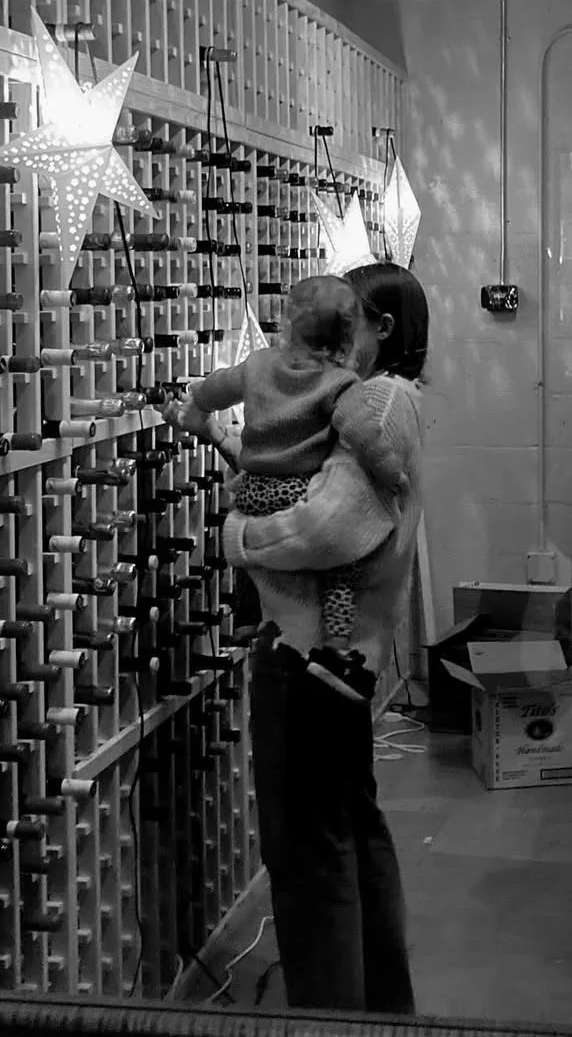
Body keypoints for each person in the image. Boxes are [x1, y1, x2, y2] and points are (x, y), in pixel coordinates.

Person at [163, 261, 428, 1014]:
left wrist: (237, 534)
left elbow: (326, 528)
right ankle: (377, 1010)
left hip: (307, 656)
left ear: (381, 329)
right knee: (350, 829)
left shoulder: (373, 399)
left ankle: (330, 1016)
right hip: (335, 654)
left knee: (307, 852)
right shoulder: (357, 392)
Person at [180, 273, 412, 702]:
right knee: (343, 570)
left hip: (251, 488)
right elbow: (364, 437)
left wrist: (196, 405)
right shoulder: (339, 384)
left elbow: (216, 387)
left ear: (287, 324)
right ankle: (336, 651)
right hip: (296, 489)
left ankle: (248, 615)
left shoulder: (258, 365)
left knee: (260, 562)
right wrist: (392, 475)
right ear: (347, 335)